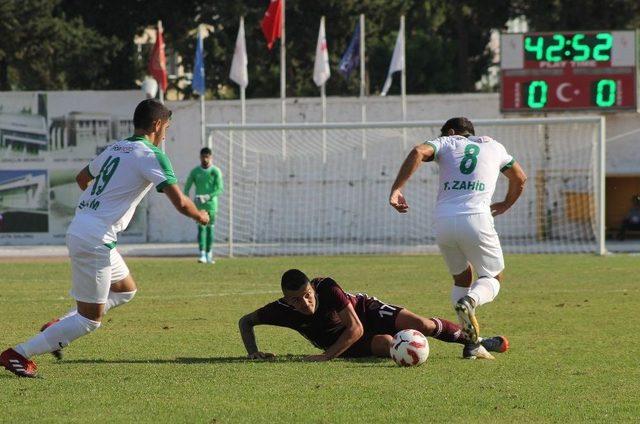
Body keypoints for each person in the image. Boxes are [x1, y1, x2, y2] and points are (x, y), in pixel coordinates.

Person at [0, 99, 209, 378]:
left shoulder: (115, 148)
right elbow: (181, 203)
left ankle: (58, 326)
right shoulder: (151, 154)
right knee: (89, 321)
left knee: (125, 290)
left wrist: (100, 203)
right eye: (166, 127)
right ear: (157, 125)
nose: (166, 134)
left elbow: (81, 178)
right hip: (95, 238)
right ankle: (18, 353)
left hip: (85, 229)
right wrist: (201, 216)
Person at [388, 117, 527, 343]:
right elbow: (520, 178)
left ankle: (471, 343)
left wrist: (397, 189)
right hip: (477, 219)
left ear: (451, 132)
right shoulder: (495, 146)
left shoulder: (446, 142)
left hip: (443, 222)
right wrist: (505, 204)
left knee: (462, 278)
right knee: (493, 276)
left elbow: (418, 152)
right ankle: (471, 301)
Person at [239, 269, 508, 362]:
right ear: (287, 299)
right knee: (388, 345)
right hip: (340, 340)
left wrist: (325, 357)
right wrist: (253, 351)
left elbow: (355, 327)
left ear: (312, 287)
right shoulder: (280, 310)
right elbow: (246, 321)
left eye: (308, 294)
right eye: (297, 300)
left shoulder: (327, 287)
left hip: (364, 312)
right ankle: (477, 343)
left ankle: (475, 342)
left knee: (421, 324)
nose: (306, 302)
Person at [184, 147, 224, 264]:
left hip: (211, 205)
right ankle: (202, 255)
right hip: (199, 205)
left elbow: (220, 189)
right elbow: (187, 187)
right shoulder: (195, 171)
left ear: (211, 157)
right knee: (201, 228)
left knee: (210, 229)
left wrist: (208, 196)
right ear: (200, 157)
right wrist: (188, 201)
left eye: (207, 157)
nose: (205, 159)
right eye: (203, 157)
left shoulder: (215, 171)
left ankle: (209, 254)